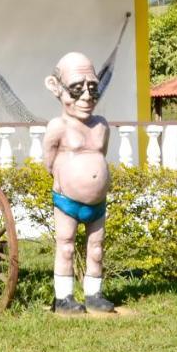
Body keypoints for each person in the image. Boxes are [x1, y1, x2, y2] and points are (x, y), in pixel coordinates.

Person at [42, 52, 116, 314]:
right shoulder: (57, 126)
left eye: (92, 88)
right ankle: (63, 297)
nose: (86, 96)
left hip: (97, 203)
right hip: (67, 201)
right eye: (76, 89)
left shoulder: (101, 126)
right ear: (56, 87)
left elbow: (100, 154)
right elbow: (49, 162)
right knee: (66, 246)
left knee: (96, 249)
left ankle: (94, 294)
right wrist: (68, 180)